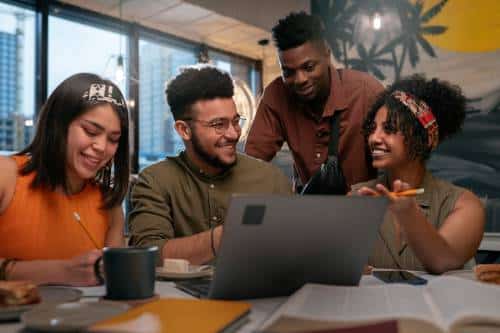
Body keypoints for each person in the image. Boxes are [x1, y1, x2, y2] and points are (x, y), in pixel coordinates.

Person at [128, 66, 292, 265]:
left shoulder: (271, 179)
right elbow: (148, 254)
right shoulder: (155, 182)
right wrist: (232, 233)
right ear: (184, 130)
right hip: (178, 296)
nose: (233, 134)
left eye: (235, 121)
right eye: (218, 125)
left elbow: (294, 252)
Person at [0, 73, 130, 285]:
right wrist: (61, 271)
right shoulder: (6, 175)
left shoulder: (109, 205)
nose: (101, 147)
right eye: (90, 131)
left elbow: (115, 285)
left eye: (113, 139)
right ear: (58, 125)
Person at [351, 75, 485, 274]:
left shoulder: (463, 204)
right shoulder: (356, 197)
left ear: (424, 139)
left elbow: (442, 262)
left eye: (389, 129)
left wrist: (408, 214)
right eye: (373, 129)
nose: (374, 138)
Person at [245, 12, 384, 192]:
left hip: (366, 207)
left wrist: (360, 193)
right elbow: (252, 164)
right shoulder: (276, 95)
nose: (300, 79)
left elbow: (399, 162)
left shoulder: (366, 91)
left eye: (309, 67)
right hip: (307, 211)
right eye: (288, 72)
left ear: (327, 55)